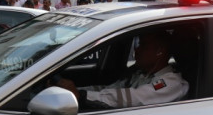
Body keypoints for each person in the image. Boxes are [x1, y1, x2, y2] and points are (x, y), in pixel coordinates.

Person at [54, 31, 189, 109]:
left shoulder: (172, 83)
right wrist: (74, 91)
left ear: (159, 51)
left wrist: (82, 96)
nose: (136, 49)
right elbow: (111, 89)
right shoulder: (138, 74)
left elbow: (133, 98)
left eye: (143, 45)